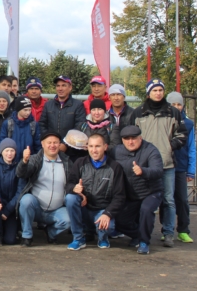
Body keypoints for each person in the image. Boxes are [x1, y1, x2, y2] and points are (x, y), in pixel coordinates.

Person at [131, 79, 186, 248]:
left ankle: (168, 233)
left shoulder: (173, 112)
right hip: (144, 165)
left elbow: (182, 135)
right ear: (149, 93)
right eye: (154, 90)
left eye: (161, 90)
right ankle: (139, 232)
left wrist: (170, 146)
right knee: (141, 198)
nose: (158, 93)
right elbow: (130, 135)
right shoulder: (138, 112)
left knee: (168, 200)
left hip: (166, 164)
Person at [108, 125, 164, 255]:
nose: (130, 141)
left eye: (134, 138)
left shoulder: (151, 150)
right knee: (117, 219)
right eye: (127, 139)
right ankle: (137, 235)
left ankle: (144, 242)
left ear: (141, 138)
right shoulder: (116, 151)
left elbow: (158, 170)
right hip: (129, 194)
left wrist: (143, 171)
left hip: (150, 192)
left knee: (146, 210)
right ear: (122, 140)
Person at [65, 134, 126, 250]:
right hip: (84, 208)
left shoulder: (115, 167)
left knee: (110, 227)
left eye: (98, 146)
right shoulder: (80, 163)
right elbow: (69, 184)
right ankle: (78, 238)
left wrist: (108, 213)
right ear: (87, 147)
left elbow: (120, 196)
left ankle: (103, 238)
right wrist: (74, 188)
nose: (94, 150)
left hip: (102, 210)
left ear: (105, 147)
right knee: (70, 198)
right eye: (91, 146)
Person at [16, 131, 72, 247]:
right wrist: (24, 161)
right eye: (49, 143)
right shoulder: (35, 159)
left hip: (57, 209)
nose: (52, 145)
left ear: (59, 144)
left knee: (70, 219)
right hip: (37, 208)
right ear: (42, 144)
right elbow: (21, 174)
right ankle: (27, 236)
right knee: (26, 200)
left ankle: (51, 232)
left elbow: (72, 181)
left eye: (55, 143)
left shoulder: (66, 162)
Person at [166, 92, 196, 244]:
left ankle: (183, 230)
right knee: (166, 200)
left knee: (182, 200)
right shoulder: (164, 120)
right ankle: (167, 230)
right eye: (173, 104)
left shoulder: (188, 124)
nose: (176, 107)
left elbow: (191, 148)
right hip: (166, 165)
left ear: (183, 106)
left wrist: (191, 169)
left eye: (179, 104)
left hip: (181, 167)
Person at [38, 76, 86, 162]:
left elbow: (79, 126)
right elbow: (42, 124)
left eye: (63, 85)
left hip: (71, 152)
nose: (60, 88)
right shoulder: (48, 105)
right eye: (58, 85)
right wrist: (50, 142)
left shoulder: (78, 105)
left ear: (70, 87)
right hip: (50, 149)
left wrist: (66, 144)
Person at [0, 139, 25, 246]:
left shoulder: (19, 167)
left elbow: (20, 191)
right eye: (7, 151)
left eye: (12, 151)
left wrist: (8, 211)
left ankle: (12, 230)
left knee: (10, 241)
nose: (9, 154)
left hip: (12, 206)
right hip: (1, 201)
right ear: (1, 152)